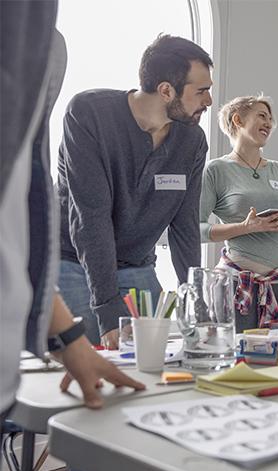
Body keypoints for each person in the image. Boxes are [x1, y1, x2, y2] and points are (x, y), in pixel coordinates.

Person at [1, 1, 144, 439]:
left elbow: (22, 213)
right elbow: (90, 218)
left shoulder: (44, 43)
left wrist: (69, 339)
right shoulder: (90, 110)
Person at [57, 34, 213, 348]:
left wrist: (196, 301)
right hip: (74, 262)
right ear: (167, 90)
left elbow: (184, 227)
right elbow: (91, 217)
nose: (209, 101)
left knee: (154, 362)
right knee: (86, 366)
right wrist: (107, 307)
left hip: (137, 265)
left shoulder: (192, 141)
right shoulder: (88, 114)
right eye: (202, 91)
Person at [201, 95, 278, 330]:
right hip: (238, 281)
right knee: (238, 356)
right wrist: (245, 228)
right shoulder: (216, 170)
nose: (269, 123)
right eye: (261, 116)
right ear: (237, 120)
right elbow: (196, 229)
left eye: (271, 119)